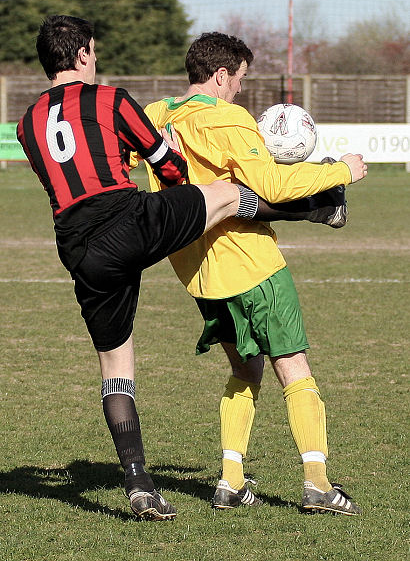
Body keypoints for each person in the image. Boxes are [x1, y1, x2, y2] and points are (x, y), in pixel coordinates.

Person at [16, 16, 268, 522]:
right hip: (126, 218)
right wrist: (182, 195)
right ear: (84, 54)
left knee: (115, 366)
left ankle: (138, 484)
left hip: (77, 246)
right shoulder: (110, 98)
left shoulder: (26, 123)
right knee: (221, 194)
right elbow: (166, 163)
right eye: (95, 50)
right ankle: (317, 205)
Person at [135, 31, 367, 515]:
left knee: (244, 369)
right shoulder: (228, 118)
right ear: (221, 75)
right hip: (252, 264)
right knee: (294, 369)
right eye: (239, 79)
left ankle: (230, 481)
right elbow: (273, 185)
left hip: (197, 271)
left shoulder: (157, 115)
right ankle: (318, 485)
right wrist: (340, 170)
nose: (240, 89)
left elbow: (122, 155)